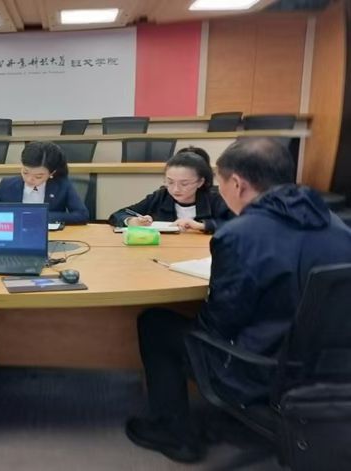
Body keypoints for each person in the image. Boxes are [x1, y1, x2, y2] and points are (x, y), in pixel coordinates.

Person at [125, 138, 351, 463]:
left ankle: (174, 434)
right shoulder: (337, 224)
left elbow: (221, 323)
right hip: (331, 366)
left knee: (156, 323)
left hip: (265, 370)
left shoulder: (240, 234)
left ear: (237, 183)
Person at [108, 147, 234, 233]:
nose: (175, 189)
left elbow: (239, 225)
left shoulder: (215, 199)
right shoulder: (160, 196)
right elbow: (118, 214)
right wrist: (132, 221)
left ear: (200, 182)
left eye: (184, 184)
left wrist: (202, 225)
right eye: (170, 182)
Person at [0, 141, 89, 224]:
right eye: (25, 172)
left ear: (52, 173)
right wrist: (12, 215)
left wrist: (41, 216)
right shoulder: (8, 184)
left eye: (38, 176)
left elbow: (82, 215)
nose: (29, 179)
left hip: (49, 235)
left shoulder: (62, 185)